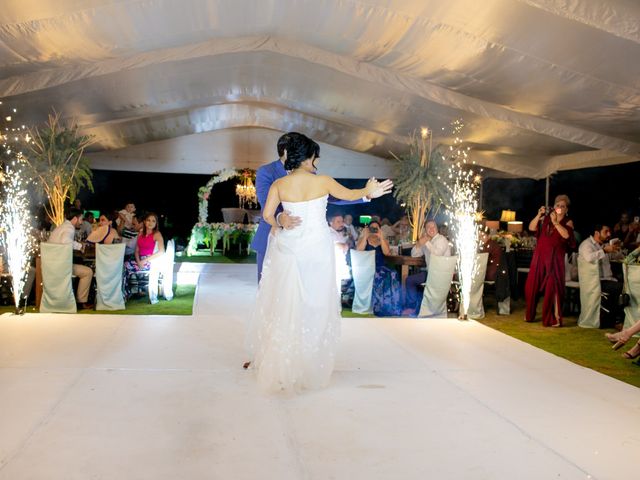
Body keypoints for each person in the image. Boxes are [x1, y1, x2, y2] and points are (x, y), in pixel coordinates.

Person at [246, 135, 383, 393]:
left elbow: (266, 215)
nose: (317, 161)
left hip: (290, 247)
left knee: (285, 303)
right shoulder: (323, 181)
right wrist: (368, 190)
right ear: (308, 157)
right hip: (317, 249)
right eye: (315, 156)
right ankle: (309, 363)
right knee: (316, 304)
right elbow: (351, 194)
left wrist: (279, 222)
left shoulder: (279, 183)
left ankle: (284, 364)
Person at [250, 132, 393, 282]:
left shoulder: (312, 174)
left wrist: (367, 195)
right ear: (287, 151)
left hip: (309, 244)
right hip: (275, 239)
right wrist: (280, 219)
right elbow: (266, 204)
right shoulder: (267, 172)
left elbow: (335, 197)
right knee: (270, 288)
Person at [524, 194, 576, 327]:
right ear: (554, 206)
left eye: (562, 206)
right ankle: (529, 314)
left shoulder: (568, 221)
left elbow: (566, 235)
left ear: (566, 209)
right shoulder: (545, 218)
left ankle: (553, 318)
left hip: (555, 257)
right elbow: (531, 227)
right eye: (557, 205)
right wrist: (538, 214)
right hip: (540, 255)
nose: (559, 207)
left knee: (553, 287)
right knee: (531, 285)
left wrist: (555, 222)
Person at [48, 208, 94, 310]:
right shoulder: (69, 228)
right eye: (81, 219)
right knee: (88, 272)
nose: (82, 222)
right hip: (61, 266)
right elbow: (66, 242)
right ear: (74, 219)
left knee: (80, 266)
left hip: (51, 265)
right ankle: (82, 302)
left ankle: (78, 299)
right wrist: (80, 246)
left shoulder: (61, 227)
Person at [578, 224, 623, 327]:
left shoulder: (603, 245)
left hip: (608, 279)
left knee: (625, 285)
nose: (609, 234)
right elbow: (589, 258)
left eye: (609, 232)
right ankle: (617, 320)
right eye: (606, 232)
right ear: (597, 233)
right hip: (595, 281)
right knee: (619, 287)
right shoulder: (586, 245)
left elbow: (618, 256)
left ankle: (619, 319)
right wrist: (604, 251)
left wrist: (617, 249)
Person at [403, 220, 452, 315]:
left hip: (441, 275)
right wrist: (418, 244)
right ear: (425, 230)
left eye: (433, 227)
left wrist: (426, 242)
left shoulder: (441, 240)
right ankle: (413, 307)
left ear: (437, 229)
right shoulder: (428, 241)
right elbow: (414, 255)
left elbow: (437, 254)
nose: (431, 229)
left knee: (412, 280)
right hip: (431, 274)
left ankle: (418, 308)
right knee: (409, 280)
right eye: (428, 227)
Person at [355, 220, 402, 316]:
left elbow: (386, 252)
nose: (374, 230)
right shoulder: (365, 239)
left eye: (376, 228)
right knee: (379, 275)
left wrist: (381, 237)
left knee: (393, 273)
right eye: (372, 228)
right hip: (367, 268)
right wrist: (365, 235)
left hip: (381, 267)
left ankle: (391, 306)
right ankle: (378, 306)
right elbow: (359, 250)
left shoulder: (382, 240)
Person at [124, 212, 165, 304]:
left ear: (156, 223)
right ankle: (128, 291)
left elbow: (162, 251)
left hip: (151, 261)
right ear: (145, 222)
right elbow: (137, 250)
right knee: (123, 266)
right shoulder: (141, 233)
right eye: (148, 220)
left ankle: (135, 290)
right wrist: (139, 261)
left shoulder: (157, 234)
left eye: (153, 221)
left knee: (127, 266)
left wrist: (145, 260)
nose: (150, 223)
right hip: (140, 260)